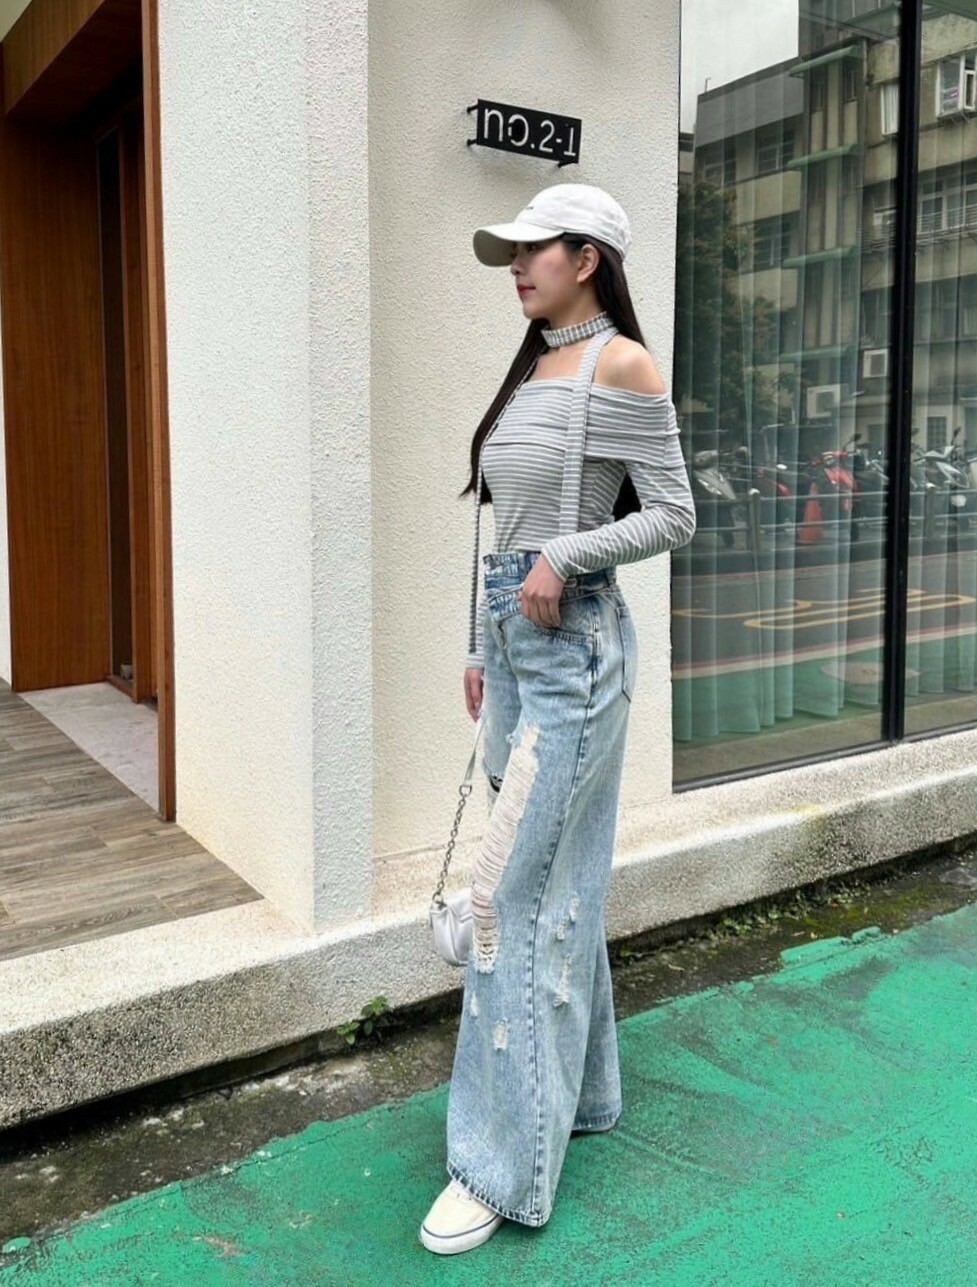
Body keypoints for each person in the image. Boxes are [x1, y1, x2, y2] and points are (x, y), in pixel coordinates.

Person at [419, 183, 697, 1256]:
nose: (514, 264)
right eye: (511, 250)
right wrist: (476, 648)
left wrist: (567, 554)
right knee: (558, 880)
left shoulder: (618, 365)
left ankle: (496, 1167)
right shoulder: (533, 367)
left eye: (531, 249)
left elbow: (672, 512)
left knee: (505, 900)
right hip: (515, 647)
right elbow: (494, 531)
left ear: (586, 259)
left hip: (574, 649)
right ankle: (585, 1096)